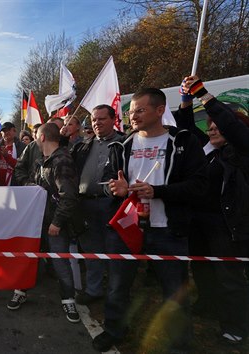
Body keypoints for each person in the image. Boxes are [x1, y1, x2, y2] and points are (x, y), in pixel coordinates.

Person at [92, 88, 208, 352]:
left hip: (168, 230)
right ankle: (114, 330)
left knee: (174, 293)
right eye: (131, 111)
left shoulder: (183, 142)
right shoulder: (122, 145)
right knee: (118, 286)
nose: (133, 116)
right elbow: (110, 182)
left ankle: (178, 345)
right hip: (128, 228)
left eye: (140, 110)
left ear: (160, 110)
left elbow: (200, 186)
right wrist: (116, 189)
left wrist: (158, 192)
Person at [176, 76, 249, 346]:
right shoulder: (206, 150)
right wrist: (185, 101)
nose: (213, 129)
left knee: (229, 277)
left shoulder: (241, 151)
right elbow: (185, 128)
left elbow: (232, 126)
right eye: (210, 126)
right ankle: (207, 304)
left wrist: (202, 94)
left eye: (219, 126)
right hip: (199, 221)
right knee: (203, 269)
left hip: (226, 224)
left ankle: (237, 326)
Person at [7, 123, 81, 323]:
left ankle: (68, 300)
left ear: (41, 138)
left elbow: (69, 196)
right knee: (29, 259)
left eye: (35, 136)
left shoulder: (62, 161)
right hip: (37, 220)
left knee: (60, 262)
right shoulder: (42, 161)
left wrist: (57, 222)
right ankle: (21, 291)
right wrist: (31, 185)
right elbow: (34, 183)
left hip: (54, 224)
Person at [70, 104, 123, 306]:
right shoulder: (84, 144)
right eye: (94, 119)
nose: (97, 123)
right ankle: (93, 290)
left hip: (112, 205)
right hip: (86, 204)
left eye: (102, 119)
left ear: (113, 119)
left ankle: (115, 293)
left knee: (114, 250)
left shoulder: (124, 142)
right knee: (92, 251)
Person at [0, 122, 25, 186]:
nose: (6, 133)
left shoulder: (21, 147)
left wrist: (7, 157)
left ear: (14, 131)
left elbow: (23, 167)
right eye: (4, 131)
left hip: (15, 186)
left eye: (8, 130)